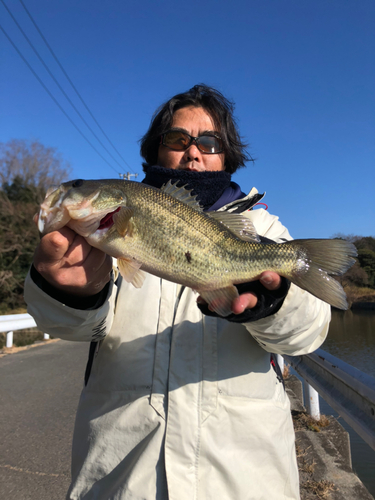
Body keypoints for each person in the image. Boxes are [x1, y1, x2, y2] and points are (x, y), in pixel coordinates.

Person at [25, 84, 331, 500]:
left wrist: (274, 305)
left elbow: (308, 334)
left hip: (246, 482)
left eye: (209, 142)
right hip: (122, 478)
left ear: (228, 155)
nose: (193, 151)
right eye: (177, 139)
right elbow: (72, 328)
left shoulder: (264, 231)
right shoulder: (101, 241)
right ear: (155, 150)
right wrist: (72, 293)